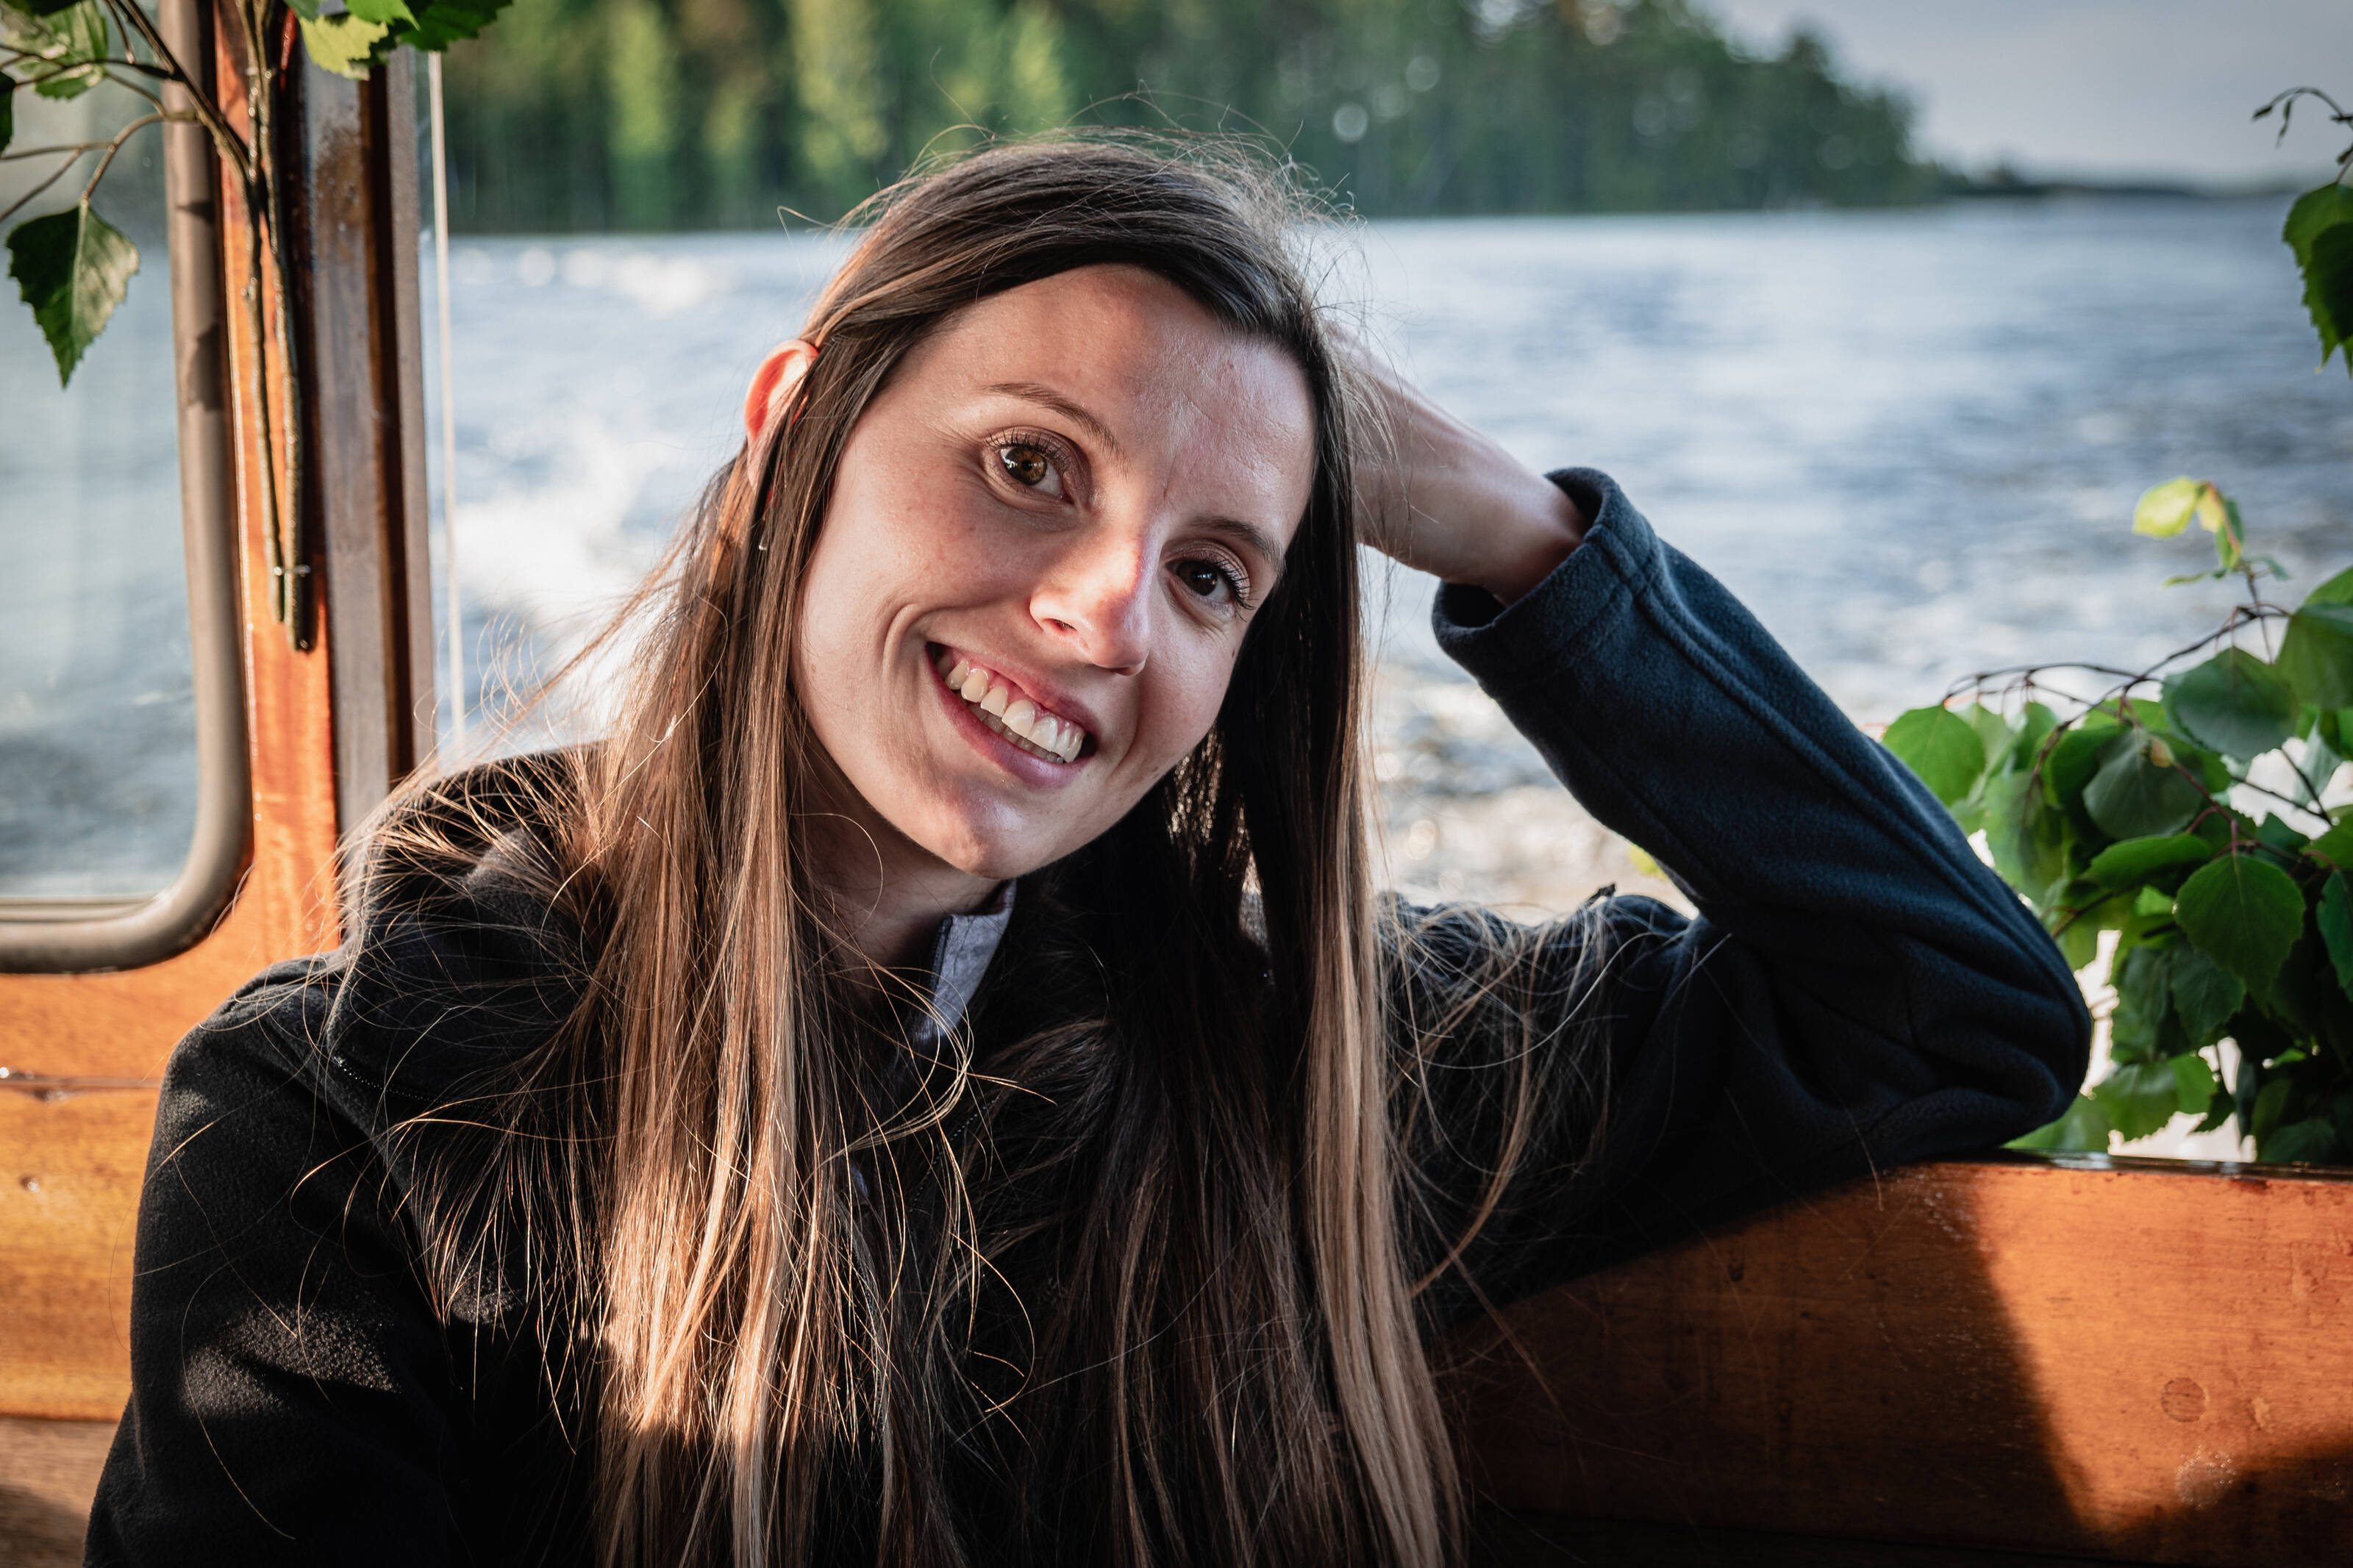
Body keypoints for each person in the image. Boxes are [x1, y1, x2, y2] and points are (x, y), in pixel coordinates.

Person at [85, 139, 2088, 1568]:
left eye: (1212, 573)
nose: (1109, 614)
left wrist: (1513, 527)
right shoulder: (339, 1108)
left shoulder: (1312, 1061)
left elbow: (1950, 1011)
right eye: (1032, 465)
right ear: (795, 425)